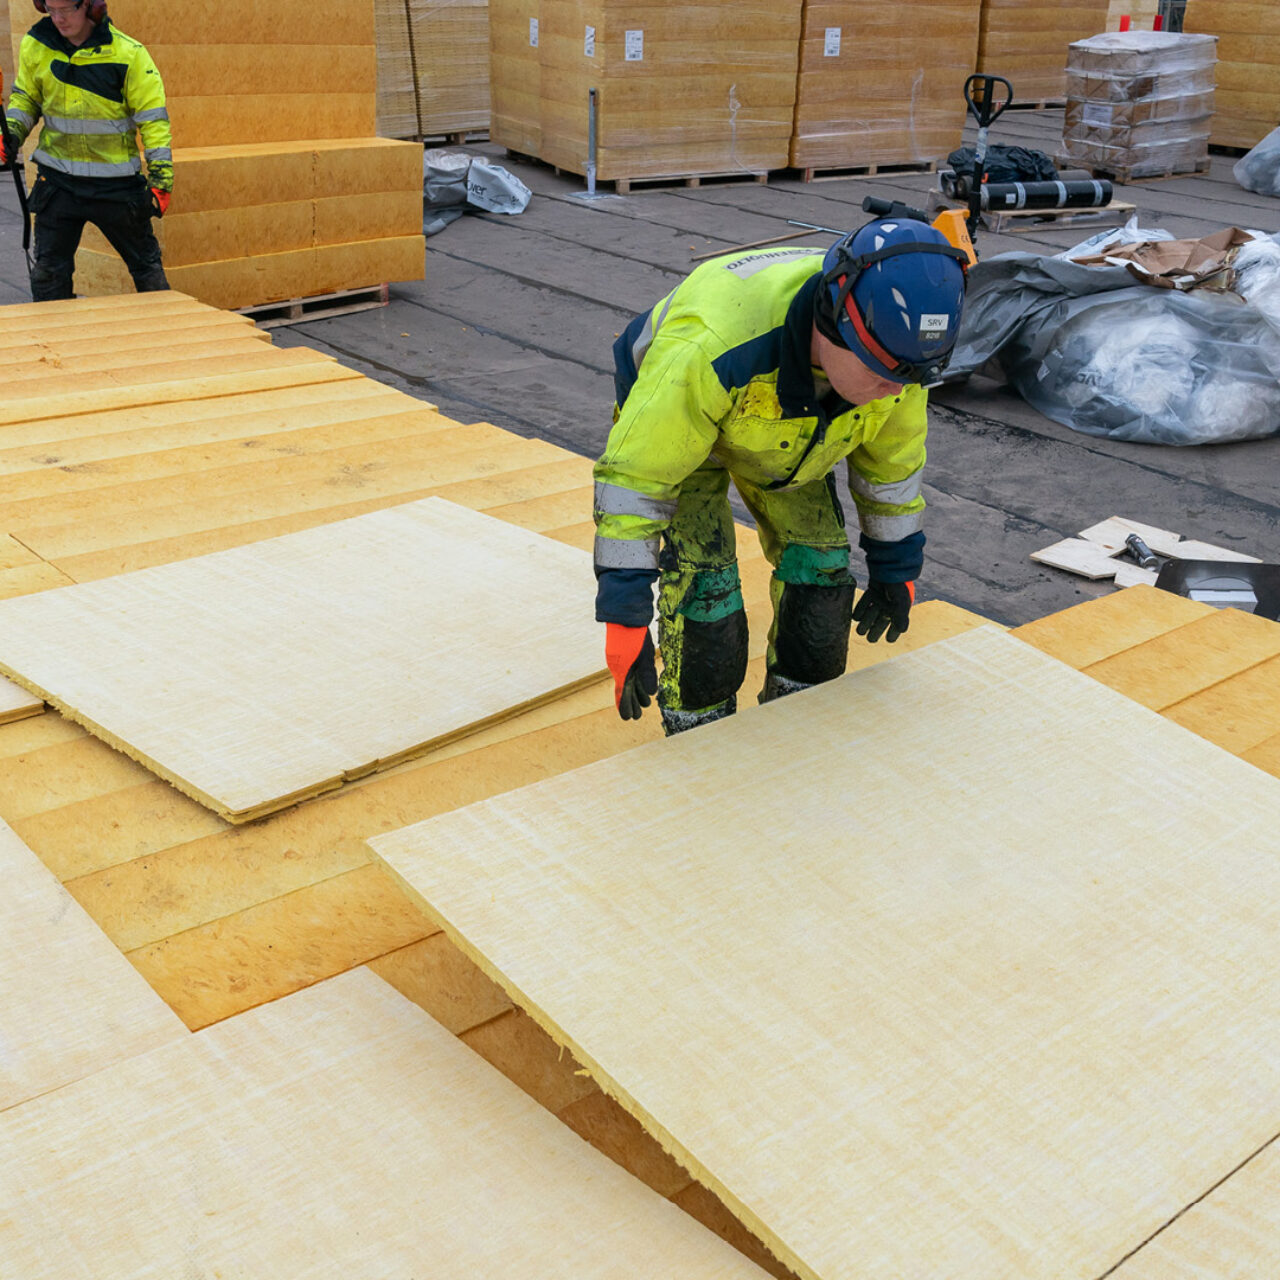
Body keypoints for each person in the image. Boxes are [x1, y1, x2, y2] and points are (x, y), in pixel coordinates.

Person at [593, 216, 969, 734]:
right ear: (832, 324)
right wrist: (625, 612)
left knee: (821, 580)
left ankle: (794, 732)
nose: (896, 392)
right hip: (679, 421)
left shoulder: (898, 365)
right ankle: (700, 739)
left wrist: (895, 565)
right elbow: (637, 482)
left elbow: (892, 469)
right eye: (882, 374)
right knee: (707, 598)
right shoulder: (709, 349)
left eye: (911, 378)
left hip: (785, 427)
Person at [2, 0, 173, 301]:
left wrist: (161, 179)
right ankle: (55, 332)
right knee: (49, 276)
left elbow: (153, 120)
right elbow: (26, 98)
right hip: (58, 183)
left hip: (117, 187)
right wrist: (11, 133)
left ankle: (168, 328)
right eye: (51, 9)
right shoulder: (37, 44)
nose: (58, 18)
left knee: (147, 271)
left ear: (90, 6)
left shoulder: (128, 53)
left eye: (67, 9)